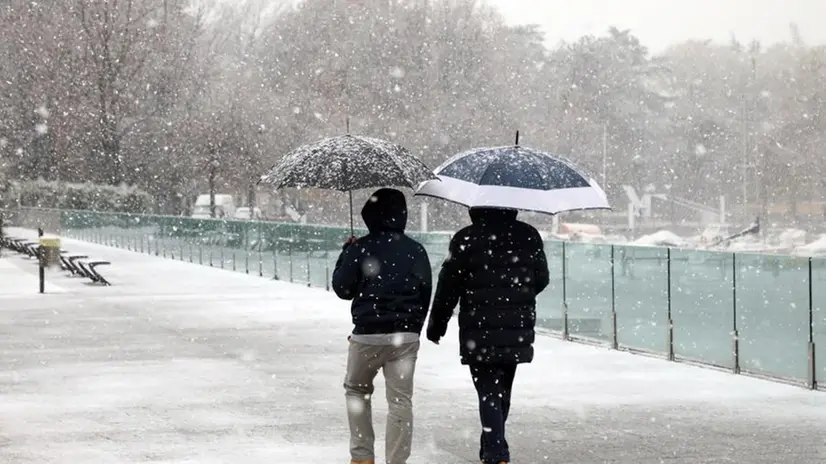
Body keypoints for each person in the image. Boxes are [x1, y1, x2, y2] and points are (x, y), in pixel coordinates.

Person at [425, 207, 549, 464]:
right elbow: (542, 278)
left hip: (478, 329)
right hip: (516, 327)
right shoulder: (528, 235)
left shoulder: (466, 238)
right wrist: (517, 298)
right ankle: (492, 447)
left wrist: (437, 325)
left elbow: (448, 286)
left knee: (489, 392)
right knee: (502, 391)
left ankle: (495, 453)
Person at [332, 188, 433, 464]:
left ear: (369, 214)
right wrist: (415, 328)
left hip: (367, 336)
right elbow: (426, 293)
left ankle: (363, 456)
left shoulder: (360, 247)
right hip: (405, 337)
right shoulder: (416, 250)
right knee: (401, 401)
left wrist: (347, 252)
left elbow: (342, 288)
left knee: (357, 390)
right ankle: (397, 460)